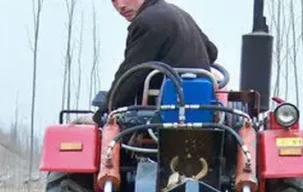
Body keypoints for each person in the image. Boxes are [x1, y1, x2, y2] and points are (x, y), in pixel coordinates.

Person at [91, 0, 219, 125]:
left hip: (165, 112)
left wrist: (103, 113)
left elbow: (131, 75)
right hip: (202, 109)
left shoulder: (146, 22)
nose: (120, 6)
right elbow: (212, 52)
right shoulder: (179, 13)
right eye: (113, 1)